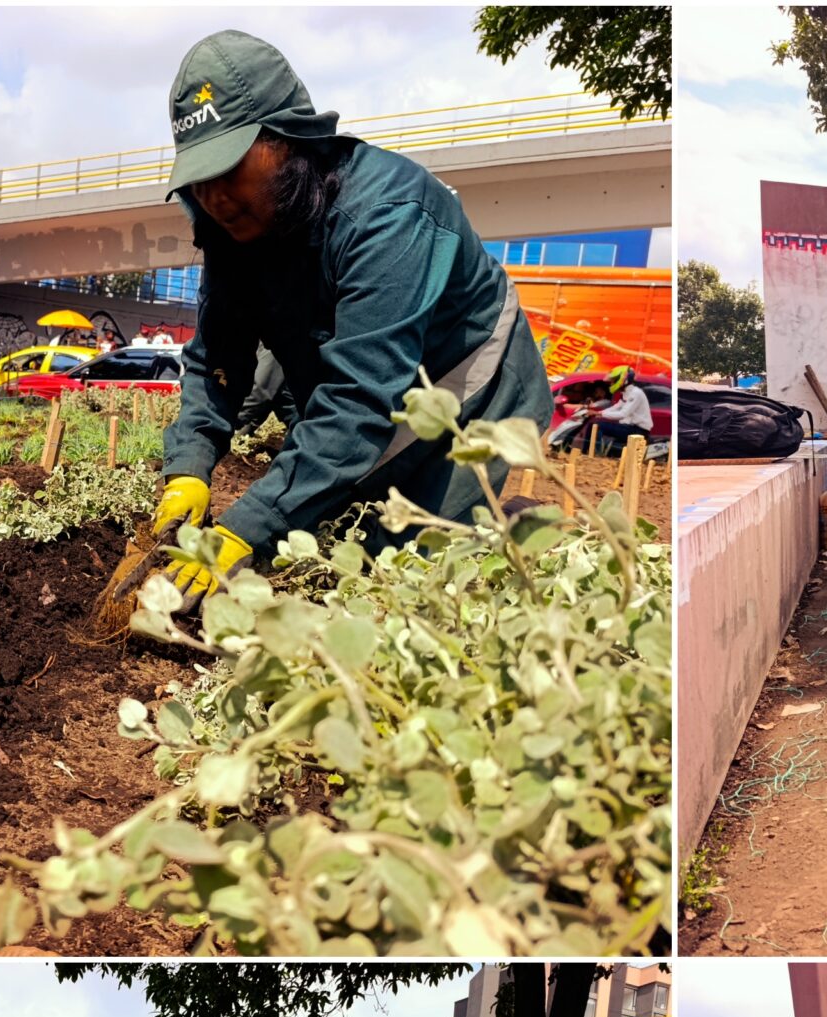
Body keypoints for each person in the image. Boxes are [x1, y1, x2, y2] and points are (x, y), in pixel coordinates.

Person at [146, 30, 551, 615]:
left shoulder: (386, 214)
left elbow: (359, 399)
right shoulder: (236, 229)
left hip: (464, 382)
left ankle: (515, 535)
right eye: (198, 179)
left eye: (229, 169)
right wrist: (188, 468)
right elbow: (219, 363)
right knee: (338, 545)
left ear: (285, 140)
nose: (213, 197)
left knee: (408, 582)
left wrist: (244, 529)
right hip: (379, 392)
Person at [548, 366, 653, 455]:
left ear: (622, 380)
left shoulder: (635, 393)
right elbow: (617, 406)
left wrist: (599, 413)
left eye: (613, 381)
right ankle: (587, 451)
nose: (611, 384)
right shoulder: (627, 392)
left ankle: (592, 453)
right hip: (629, 427)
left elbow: (622, 413)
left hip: (637, 430)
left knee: (598, 426)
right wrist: (598, 413)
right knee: (594, 424)